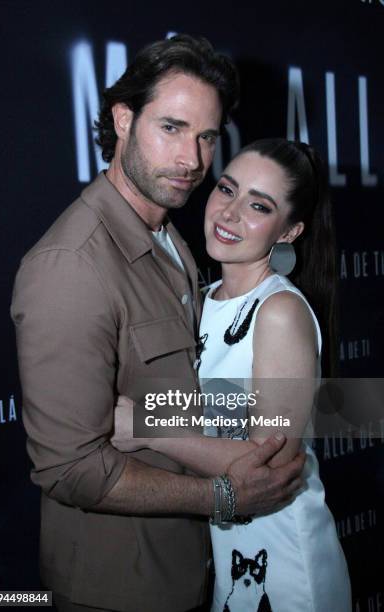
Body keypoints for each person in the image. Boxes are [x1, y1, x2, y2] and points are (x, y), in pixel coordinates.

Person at [10, 35, 305, 612]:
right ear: (123, 120)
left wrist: (146, 422)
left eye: (205, 137)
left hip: (192, 571)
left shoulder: (172, 239)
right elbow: (70, 469)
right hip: (114, 588)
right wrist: (220, 496)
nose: (191, 161)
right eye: (171, 128)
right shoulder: (71, 267)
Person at [112, 139, 352, 611]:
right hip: (226, 554)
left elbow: (271, 465)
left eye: (258, 205)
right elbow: (214, 411)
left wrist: (145, 425)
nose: (230, 212)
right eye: (227, 190)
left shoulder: (280, 310)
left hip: (283, 563)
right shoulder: (201, 298)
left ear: (290, 231)